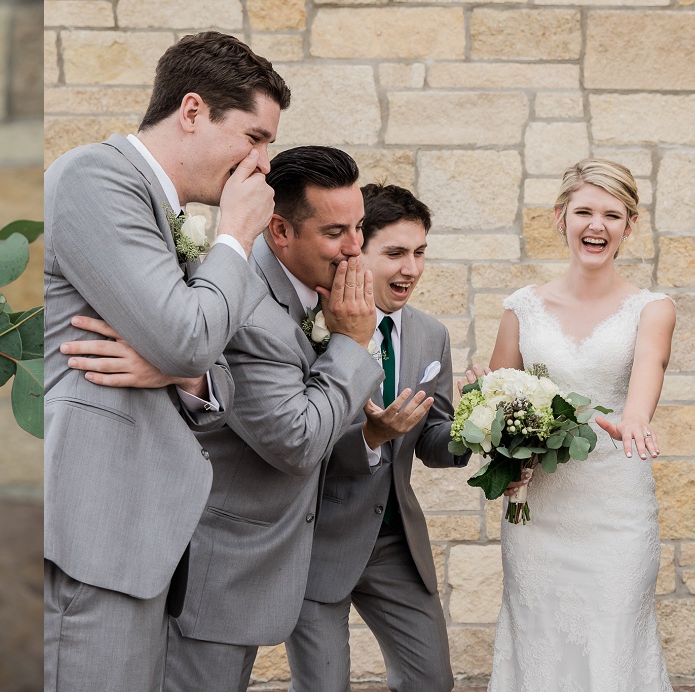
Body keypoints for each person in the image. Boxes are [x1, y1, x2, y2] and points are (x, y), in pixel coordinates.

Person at [42, 31, 289, 691]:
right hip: (95, 536)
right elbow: (188, 335)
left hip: (144, 542)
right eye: (254, 137)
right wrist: (236, 234)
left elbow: (212, 370)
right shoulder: (95, 177)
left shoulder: (167, 213)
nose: (261, 164)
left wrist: (181, 371)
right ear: (191, 111)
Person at [161, 145, 382, 692]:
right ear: (279, 231)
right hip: (217, 571)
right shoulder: (249, 310)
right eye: (336, 233)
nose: (356, 248)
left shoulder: (307, 287)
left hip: (266, 562)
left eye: (359, 228)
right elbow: (297, 440)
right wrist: (352, 343)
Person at [484, 159, 676, 690]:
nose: (597, 225)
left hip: (616, 510)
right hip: (539, 510)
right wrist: (502, 449)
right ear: (560, 217)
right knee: (542, 643)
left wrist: (634, 417)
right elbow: (500, 399)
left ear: (629, 226)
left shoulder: (652, 308)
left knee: (613, 640)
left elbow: (648, 368)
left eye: (612, 215)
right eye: (584, 211)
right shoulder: (520, 309)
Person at [285, 183, 468, 692]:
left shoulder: (432, 334)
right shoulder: (307, 327)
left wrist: (478, 425)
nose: (411, 268)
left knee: (432, 682)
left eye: (419, 252)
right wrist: (369, 435)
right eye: (395, 253)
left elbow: (434, 441)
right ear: (356, 253)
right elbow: (292, 438)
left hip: (395, 542)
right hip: (318, 538)